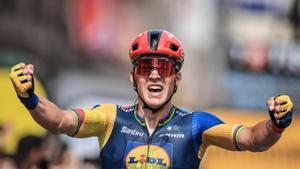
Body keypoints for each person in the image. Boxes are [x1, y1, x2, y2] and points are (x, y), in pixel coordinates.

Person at [9, 29, 294, 169]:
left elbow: (253, 140)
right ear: (133, 77)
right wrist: (30, 98)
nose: (155, 76)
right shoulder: (109, 118)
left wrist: (275, 125)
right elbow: (59, 120)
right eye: (146, 68)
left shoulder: (196, 125)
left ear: (176, 79)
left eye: (165, 68)